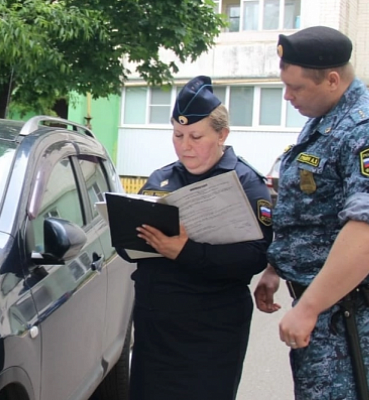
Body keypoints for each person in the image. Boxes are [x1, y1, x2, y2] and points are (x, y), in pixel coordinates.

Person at [253, 26, 369, 400]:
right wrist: (277, 269)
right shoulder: (327, 117)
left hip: (351, 313)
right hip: (329, 307)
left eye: (296, 88)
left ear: (331, 79)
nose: (287, 95)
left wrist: (309, 306)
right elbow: (312, 208)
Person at [122, 75, 273, 400]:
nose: (184, 145)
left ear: (222, 135)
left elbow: (255, 256)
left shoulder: (246, 184)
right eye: (177, 135)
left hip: (211, 332)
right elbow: (129, 249)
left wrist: (185, 251)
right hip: (155, 329)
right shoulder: (162, 179)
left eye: (195, 136)